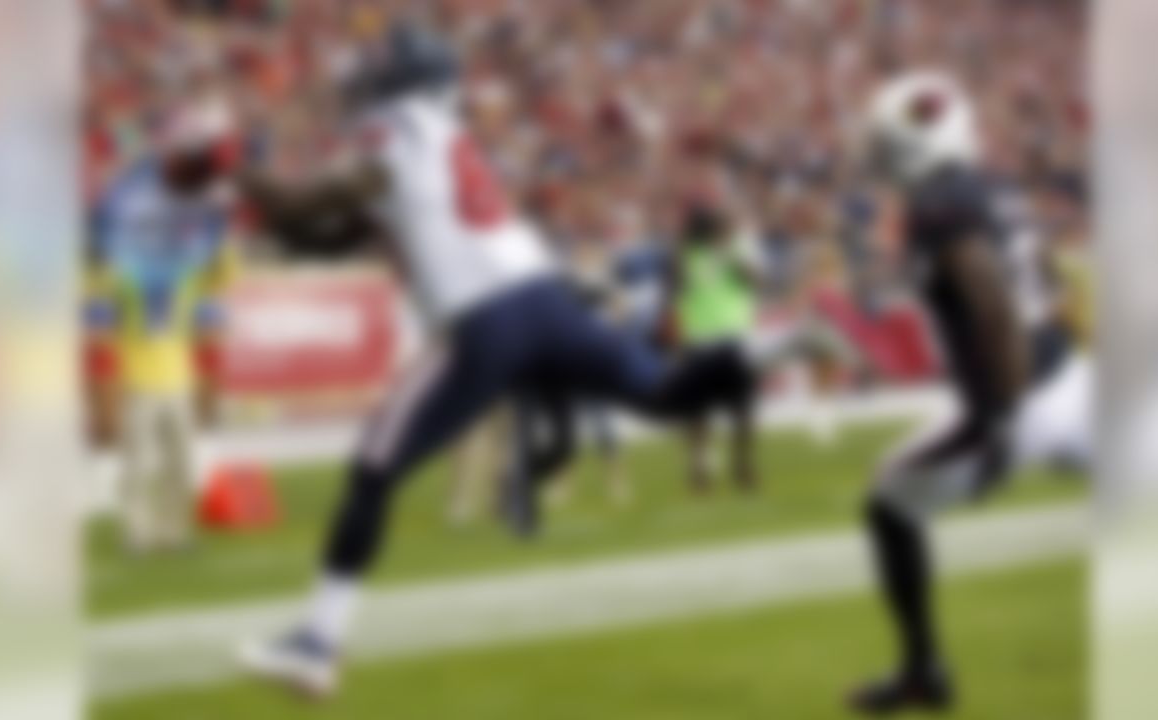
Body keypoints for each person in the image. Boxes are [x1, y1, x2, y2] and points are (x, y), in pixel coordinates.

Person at [235, 23, 815, 697]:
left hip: (485, 321)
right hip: (547, 303)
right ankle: (778, 346)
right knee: (664, 397)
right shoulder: (440, 139)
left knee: (372, 468)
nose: (367, 81)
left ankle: (318, 641)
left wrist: (229, 168)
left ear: (406, 82)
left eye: (380, 70)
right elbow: (329, 234)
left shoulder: (396, 132)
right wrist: (261, 210)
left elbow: (305, 202)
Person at [847, 70, 1093, 715]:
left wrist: (1007, 417)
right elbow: (1040, 273)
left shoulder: (936, 203)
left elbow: (989, 298)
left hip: (1020, 400)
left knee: (889, 505)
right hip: (1068, 378)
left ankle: (923, 670)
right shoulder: (990, 186)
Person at [92, 100, 237, 553]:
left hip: (177, 382)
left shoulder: (186, 278)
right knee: (139, 463)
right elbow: (104, 274)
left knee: (178, 463)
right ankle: (138, 531)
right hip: (139, 382)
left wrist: (224, 235)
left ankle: (174, 531)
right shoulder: (128, 281)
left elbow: (222, 275)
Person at [672, 196, 765, 494]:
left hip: (733, 336)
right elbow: (678, 287)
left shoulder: (738, 248)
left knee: (743, 410)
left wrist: (729, 252)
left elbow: (755, 282)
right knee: (699, 413)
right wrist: (689, 247)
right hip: (699, 338)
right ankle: (699, 467)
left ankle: (743, 465)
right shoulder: (687, 255)